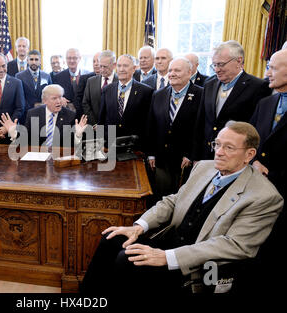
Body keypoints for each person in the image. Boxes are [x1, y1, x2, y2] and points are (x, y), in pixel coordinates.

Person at [81, 121, 283, 294]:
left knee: (128, 260)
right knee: (113, 237)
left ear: (249, 154)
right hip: (171, 239)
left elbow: (234, 245)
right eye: (218, 144)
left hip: (199, 264)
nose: (219, 153)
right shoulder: (204, 167)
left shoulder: (264, 196)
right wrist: (139, 226)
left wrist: (166, 257)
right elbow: (174, 201)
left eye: (229, 148)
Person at [193, 40, 272, 161]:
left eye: (221, 64)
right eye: (214, 65)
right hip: (207, 155)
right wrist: (196, 156)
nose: (217, 69)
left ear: (238, 61)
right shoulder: (209, 84)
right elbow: (201, 122)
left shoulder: (258, 87)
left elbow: (257, 128)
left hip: (235, 157)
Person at [249, 49, 287, 288]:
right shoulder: (265, 103)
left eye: (272, 67)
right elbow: (251, 141)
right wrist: (253, 161)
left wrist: (271, 174)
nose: (267, 72)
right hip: (257, 193)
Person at [146, 57, 203, 201]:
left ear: (189, 73)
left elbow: (200, 129)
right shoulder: (158, 94)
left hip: (185, 160)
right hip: (161, 158)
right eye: (170, 70)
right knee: (161, 197)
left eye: (177, 70)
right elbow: (151, 125)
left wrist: (192, 154)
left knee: (182, 198)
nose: (172, 73)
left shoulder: (201, 95)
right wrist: (151, 153)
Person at [0, 84, 88, 147]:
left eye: (60, 97)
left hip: (61, 157)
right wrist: (14, 134)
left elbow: (72, 145)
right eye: (54, 98)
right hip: (38, 158)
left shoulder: (70, 115)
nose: (59, 101)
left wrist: (78, 135)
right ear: (44, 101)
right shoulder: (33, 114)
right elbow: (25, 140)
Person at [98, 54, 153, 144]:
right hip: (110, 145)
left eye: (125, 66)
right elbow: (101, 120)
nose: (121, 69)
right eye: (119, 66)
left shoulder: (146, 91)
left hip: (134, 146)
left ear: (134, 68)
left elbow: (148, 124)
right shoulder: (107, 89)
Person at [15, 50, 52, 124]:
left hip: (43, 113)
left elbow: (50, 94)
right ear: (27, 61)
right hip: (26, 114)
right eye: (31, 59)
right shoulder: (19, 76)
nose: (34, 62)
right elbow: (19, 97)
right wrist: (33, 108)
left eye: (36, 59)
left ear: (40, 61)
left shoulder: (46, 76)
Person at [82, 50, 118, 126]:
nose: (102, 69)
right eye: (100, 66)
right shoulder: (91, 81)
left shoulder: (120, 81)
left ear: (114, 65)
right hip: (93, 126)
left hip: (114, 127)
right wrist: (94, 123)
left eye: (105, 67)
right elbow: (85, 103)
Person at [53, 48, 91, 116]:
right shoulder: (58, 77)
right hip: (65, 116)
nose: (71, 61)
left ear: (79, 58)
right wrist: (60, 98)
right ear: (66, 59)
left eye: (74, 58)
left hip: (85, 115)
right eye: (69, 58)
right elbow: (54, 95)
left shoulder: (89, 76)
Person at [75, 52, 102, 117]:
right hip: (88, 118)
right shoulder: (85, 78)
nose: (95, 64)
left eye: (98, 61)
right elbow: (78, 100)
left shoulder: (114, 79)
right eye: (94, 61)